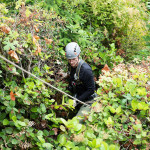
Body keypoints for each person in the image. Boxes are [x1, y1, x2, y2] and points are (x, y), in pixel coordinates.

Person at [65, 42, 96, 123]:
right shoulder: (71, 66)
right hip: (77, 96)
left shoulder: (86, 70)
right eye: (69, 60)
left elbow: (91, 89)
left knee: (77, 122)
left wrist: (77, 101)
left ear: (78, 56)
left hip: (88, 100)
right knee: (67, 117)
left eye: (74, 59)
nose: (71, 62)